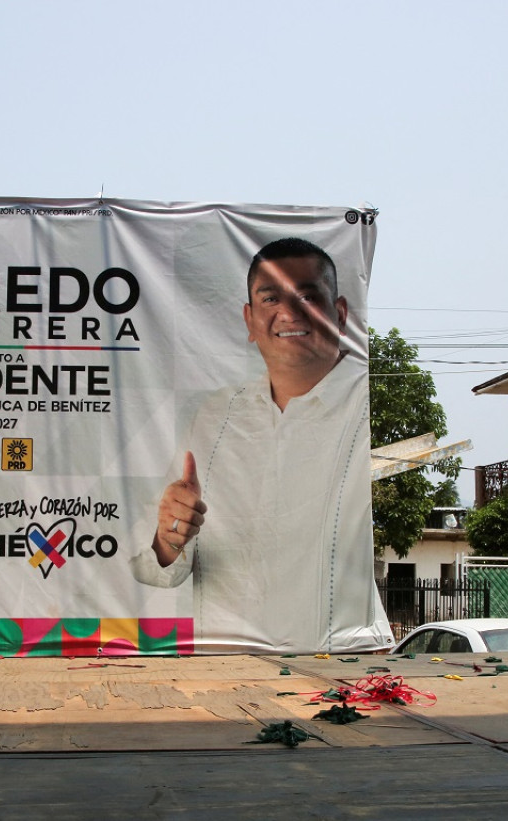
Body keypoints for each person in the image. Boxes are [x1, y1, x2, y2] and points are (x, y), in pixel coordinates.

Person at [129, 237, 392, 653]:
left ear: (339, 314)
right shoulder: (215, 415)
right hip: (226, 666)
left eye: (308, 296)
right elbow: (157, 566)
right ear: (250, 321)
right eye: (270, 299)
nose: (288, 313)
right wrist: (170, 536)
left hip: (340, 660)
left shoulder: (367, 410)